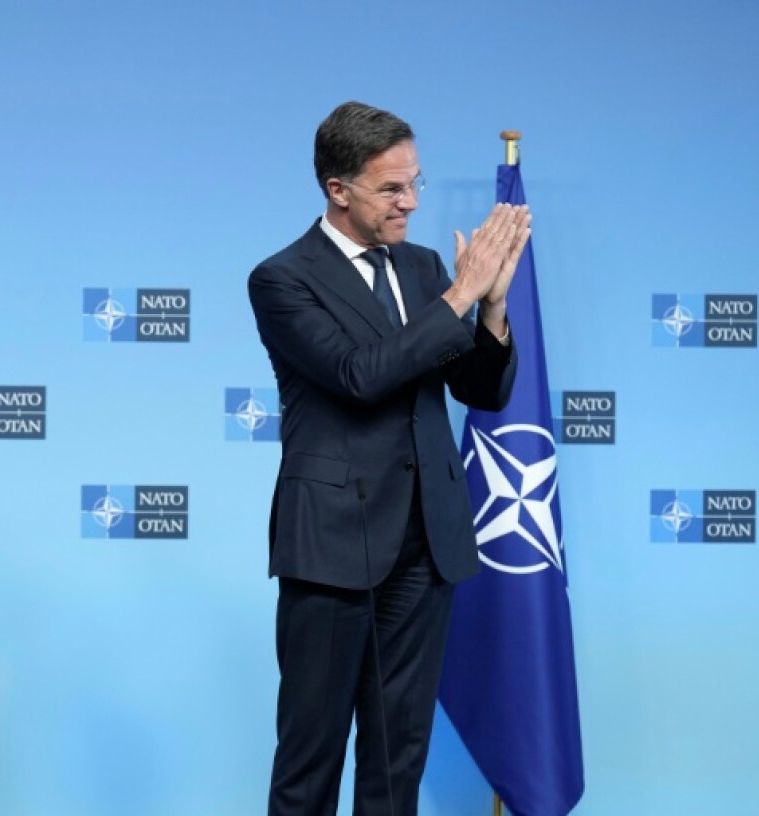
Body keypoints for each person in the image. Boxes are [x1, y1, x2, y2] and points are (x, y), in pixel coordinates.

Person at [248, 102, 530, 816]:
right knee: (309, 760)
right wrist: (461, 294)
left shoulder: (423, 266)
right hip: (332, 546)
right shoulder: (283, 279)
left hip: (426, 544)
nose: (410, 203)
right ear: (338, 190)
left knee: (396, 759)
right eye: (391, 189)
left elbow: (480, 390)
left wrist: (491, 309)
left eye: (416, 184)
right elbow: (358, 375)